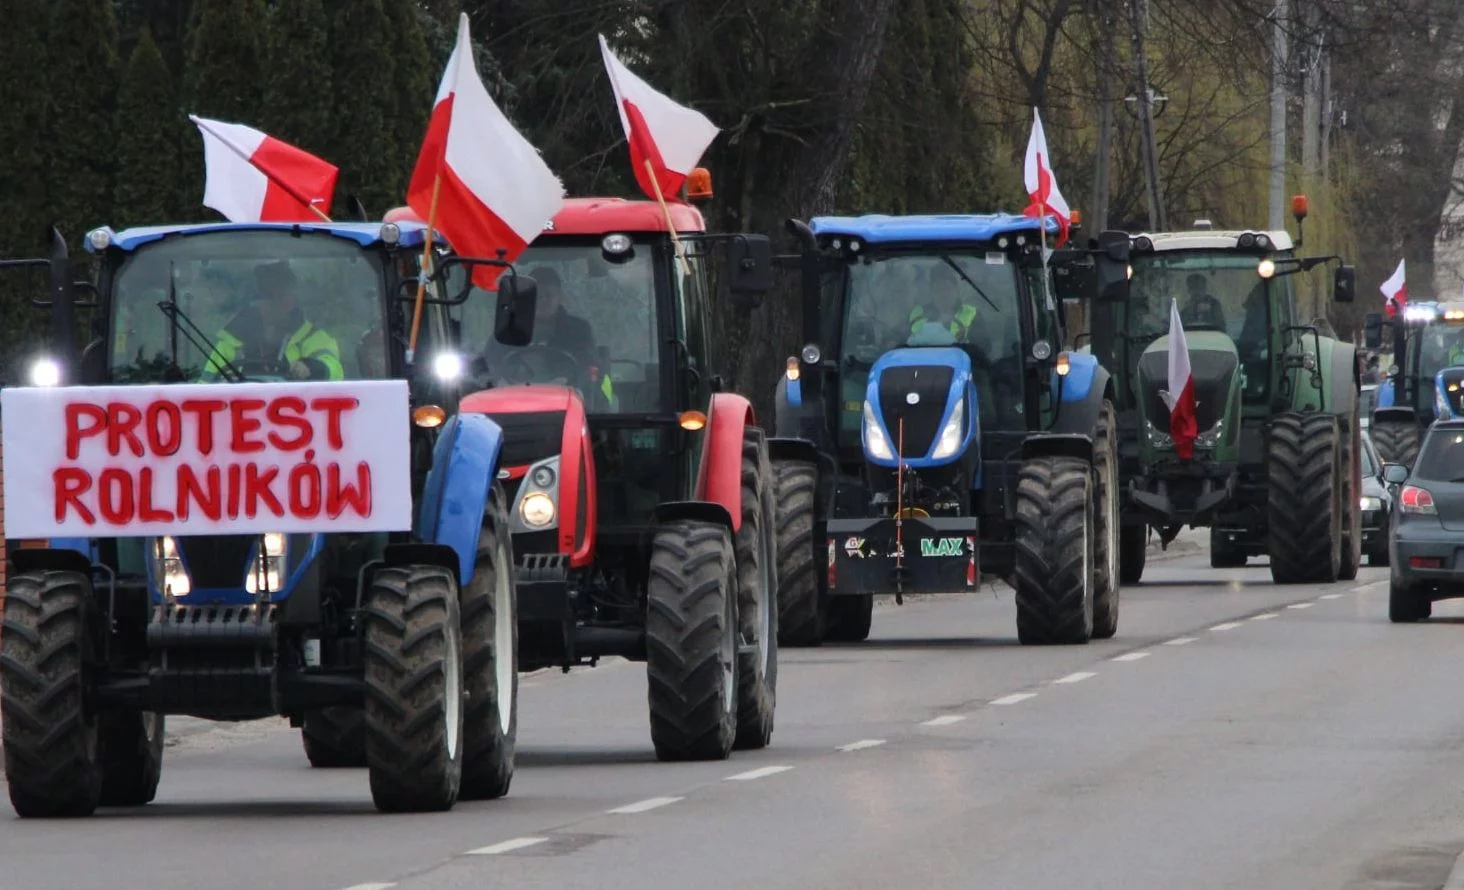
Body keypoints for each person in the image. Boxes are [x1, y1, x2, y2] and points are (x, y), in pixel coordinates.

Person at [200, 260, 344, 381]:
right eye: (268, 295)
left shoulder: (313, 338)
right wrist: (222, 383)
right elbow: (203, 388)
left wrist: (313, 367)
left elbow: (335, 372)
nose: (276, 302)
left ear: (294, 299)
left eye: (283, 295)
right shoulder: (230, 342)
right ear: (253, 302)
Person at [518, 265, 614, 407]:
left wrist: (567, 380)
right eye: (536, 295)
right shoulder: (510, 329)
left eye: (548, 295)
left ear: (560, 297)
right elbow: (492, 363)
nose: (541, 300)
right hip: (518, 401)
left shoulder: (579, 330)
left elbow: (589, 366)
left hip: (569, 402)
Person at [908, 262, 979, 341]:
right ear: (931, 293)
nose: (943, 294)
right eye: (938, 289)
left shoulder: (972, 314)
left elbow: (983, 344)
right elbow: (900, 338)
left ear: (956, 290)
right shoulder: (917, 314)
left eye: (947, 288)